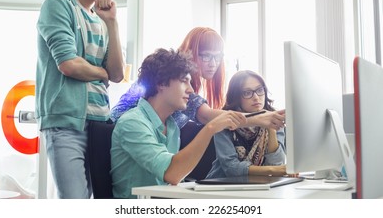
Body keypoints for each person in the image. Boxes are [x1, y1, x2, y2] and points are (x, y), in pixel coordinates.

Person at [35, 0, 127, 199]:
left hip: (100, 124)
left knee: (100, 201)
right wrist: (102, 72)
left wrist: (112, 22)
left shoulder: (100, 19)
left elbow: (117, 73)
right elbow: (69, 65)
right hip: (66, 122)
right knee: (75, 202)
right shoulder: (59, 5)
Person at [110, 48, 247, 198]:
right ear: (161, 83)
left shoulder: (171, 126)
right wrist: (210, 128)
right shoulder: (132, 122)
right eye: (184, 81)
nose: (191, 90)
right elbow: (172, 173)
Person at [110, 27, 286, 131]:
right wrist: (259, 118)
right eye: (206, 56)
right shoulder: (172, 78)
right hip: (121, 135)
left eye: (217, 57)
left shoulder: (187, 88)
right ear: (192, 52)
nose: (213, 63)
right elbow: (206, 115)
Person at [206, 70, 289, 179]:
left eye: (260, 90)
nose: (256, 97)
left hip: (261, 186)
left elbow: (277, 164)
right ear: (236, 97)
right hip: (220, 186)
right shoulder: (224, 122)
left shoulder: (274, 119)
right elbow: (232, 168)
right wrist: (270, 170)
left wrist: (271, 128)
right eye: (247, 93)